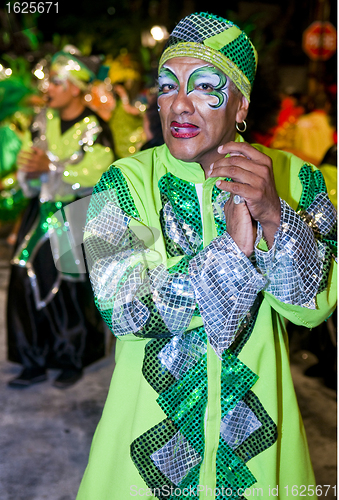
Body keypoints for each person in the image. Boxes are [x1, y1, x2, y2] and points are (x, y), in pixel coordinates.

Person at [76, 12, 337, 499]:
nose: (178, 105)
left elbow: (313, 306)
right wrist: (232, 255)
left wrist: (275, 217)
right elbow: (123, 310)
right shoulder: (122, 182)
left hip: (258, 447)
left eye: (203, 87)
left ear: (241, 104)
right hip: (145, 444)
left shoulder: (298, 180)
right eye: (167, 85)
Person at [7, 49, 114, 388]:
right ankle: (32, 357)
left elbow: (99, 172)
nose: (47, 88)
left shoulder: (95, 127)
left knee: (69, 286)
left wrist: (50, 168)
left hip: (74, 217)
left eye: (55, 81)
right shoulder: (41, 120)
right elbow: (32, 167)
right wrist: (29, 171)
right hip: (39, 213)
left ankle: (72, 357)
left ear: (73, 87)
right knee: (25, 278)